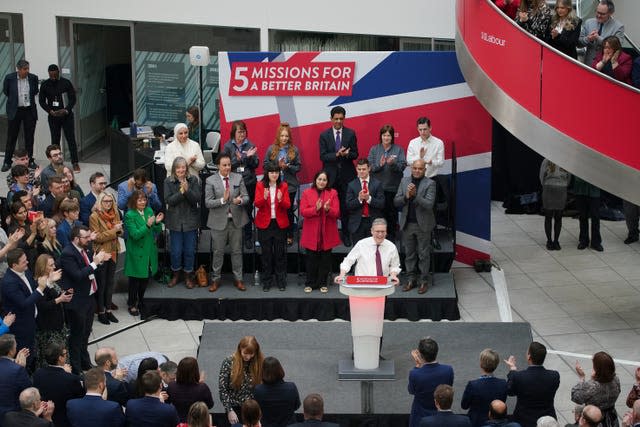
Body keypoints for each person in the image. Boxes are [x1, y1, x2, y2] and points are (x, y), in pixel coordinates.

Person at [60, 225, 111, 374]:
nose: (89, 239)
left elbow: (91, 269)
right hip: (77, 301)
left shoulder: (85, 250)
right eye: (86, 237)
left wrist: (99, 262)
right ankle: (76, 368)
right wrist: (95, 262)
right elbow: (77, 275)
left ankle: (85, 361)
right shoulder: (68, 254)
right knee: (77, 336)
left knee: (86, 333)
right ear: (76, 239)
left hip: (89, 298)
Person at [205, 153, 249, 293]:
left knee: (237, 252)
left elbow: (246, 197)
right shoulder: (210, 180)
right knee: (218, 252)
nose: (227, 167)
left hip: (236, 221)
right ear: (218, 166)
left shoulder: (238, 177)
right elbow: (208, 202)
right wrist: (223, 200)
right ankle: (215, 279)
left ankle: (239, 279)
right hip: (218, 222)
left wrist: (240, 201)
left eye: (229, 164)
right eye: (224, 165)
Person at [1, 248, 46, 372]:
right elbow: (24, 303)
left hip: (32, 321)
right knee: (25, 357)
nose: (27, 263)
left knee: (33, 353)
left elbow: (32, 289)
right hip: (21, 327)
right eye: (23, 262)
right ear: (14, 265)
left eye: (26, 260)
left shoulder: (25, 271)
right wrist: (41, 288)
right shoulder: (9, 282)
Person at [319, 106, 358, 246]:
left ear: (344, 118)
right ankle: (330, 235)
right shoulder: (324, 135)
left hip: (347, 177)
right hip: (330, 177)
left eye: (341, 119)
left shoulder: (350, 133)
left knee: (346, 207)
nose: (338, 121)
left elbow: (355, 154)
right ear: (331, 119)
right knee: (329, 207)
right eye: (336, 119)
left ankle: (346, 235)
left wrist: (347, 154)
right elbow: (323, 156)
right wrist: (337, 154)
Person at [395, 159, 436, 294]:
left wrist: (415, 196)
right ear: (411, 168)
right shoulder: (404, 181)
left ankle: (423, 281)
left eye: (420, 168)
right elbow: (396, 201)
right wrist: (406, 197)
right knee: (409, 254)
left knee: (423, 254)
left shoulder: (430, 183)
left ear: (425, 170)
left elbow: (429, 204)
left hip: (423, 225)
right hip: (407, 224)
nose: (417, 171)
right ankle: (411, 280)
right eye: (415, 168)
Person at [164, 156, 202, 289]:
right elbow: (169, 201)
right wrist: (182, 192)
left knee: (189, 251)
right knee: (175, 251)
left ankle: (188, 276)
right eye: (178, 167)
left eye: (183, 167)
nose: (181, 170)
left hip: (190, 221)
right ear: (174, 169)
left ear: (186, 168)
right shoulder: (168, 181)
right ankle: (175, 274)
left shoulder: (193, 180)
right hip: (175, 222)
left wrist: (188, 190)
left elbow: (196, 199)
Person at [299, 170, 340, 293]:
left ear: (327, 182)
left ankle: (323, 283)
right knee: (311, 259)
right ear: (315, 180)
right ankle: (310, 283)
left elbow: (337, 212)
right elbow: (303, 212)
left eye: (324, 180)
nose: (321, 182)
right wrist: (315, 209)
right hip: (311, 232)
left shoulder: (333, 193)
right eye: (319, 179)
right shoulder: (307, 192)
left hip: (327, 232)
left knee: (325, 259)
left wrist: (328, 209)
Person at [124, 190, 163, 316]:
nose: (143, 202)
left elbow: (156, 230)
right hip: (136, 252)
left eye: (144, 200)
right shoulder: (129, 215)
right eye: (140, 200)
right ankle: (131, 303)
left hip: (148, 250)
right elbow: (135, 235)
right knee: (135, 281)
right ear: (134, 201)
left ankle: (141, 301)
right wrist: (147, 225)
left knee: (145, 279)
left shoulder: (149, 211)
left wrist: (157, 222)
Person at [221, 120, 259, 249]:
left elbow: (256, 165)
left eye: (243, 131)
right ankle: (229, 237)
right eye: (239, 132)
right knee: (231, 210)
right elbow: (225, 165)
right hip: (233, 183)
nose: (242, 134)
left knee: (247, 211)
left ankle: (248, 238)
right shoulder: (227, 146)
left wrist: (249, 157)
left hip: (248, 182)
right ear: (234, 133)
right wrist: (239, 159)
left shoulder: (250, 145)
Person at [505, 342, 560, 427]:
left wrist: (512, 370)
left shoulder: (519, 377)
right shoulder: (554, 376)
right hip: (547, 421)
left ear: (529, 357)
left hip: (523, 421)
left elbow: (510, 391)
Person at [254, 163, 290, 291]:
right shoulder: (260, 185)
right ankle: (267, 281)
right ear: (267, 174)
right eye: (271, 172)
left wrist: (280, 200)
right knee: (266, 254)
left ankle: (281, 281)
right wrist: (263, 198)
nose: (274, 174)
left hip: (279, 224)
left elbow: (287, 206)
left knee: (280, 254)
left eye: (276, 172)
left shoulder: (284, 186)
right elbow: (257, 204)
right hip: (265, 224)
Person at [263, 122, 301, 245]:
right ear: (278, 136)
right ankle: (277, 234)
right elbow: (265, 165)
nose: (284, 138)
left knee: (288, 211)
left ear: (289, 137)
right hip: (274, 185)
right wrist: (277, 166)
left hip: (290, 187)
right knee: (275, 210)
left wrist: (288, 167)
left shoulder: (294, 149)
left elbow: (298, 167)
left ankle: (289, 235)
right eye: (282, 136)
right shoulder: (271, 149)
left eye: (286, 136)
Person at [368, 124, 406, 241]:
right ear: (381, 136)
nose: (386, 138)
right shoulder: (374, 149)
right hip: (377, 188)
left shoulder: (398, 149)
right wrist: (380, 165)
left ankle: (391, 237)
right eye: (384, 135)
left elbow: (402, 167)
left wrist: (392, 164)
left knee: (391, 214)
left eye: (388, 135)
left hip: (392, 188)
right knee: (378, 214)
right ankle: (378, 237)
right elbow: (370, 167)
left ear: (392, 137)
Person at [335, 218, 401, 286]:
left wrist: (393, 275)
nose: (380, 234)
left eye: (383, 231)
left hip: (382, 285)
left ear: (386, 232)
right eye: (377, 231)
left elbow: (395, 265)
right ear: (372, 231)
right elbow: (348, 261)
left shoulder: (391, 247)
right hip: (361, 285)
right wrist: (342, 274)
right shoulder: (361, 244)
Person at [38, 64, 80, 172]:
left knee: (70, 139)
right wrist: (50, 111)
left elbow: (72, 99)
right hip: (53, 117)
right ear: (48, 73)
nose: (53, 77)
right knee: (55, 141)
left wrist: (66, 109)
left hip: (66, 116)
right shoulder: (45, 85)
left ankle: (75, 162)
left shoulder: (66, 83)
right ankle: (57, 164)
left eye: (55, 75)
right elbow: (41, 101)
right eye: (51, 75)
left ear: (58, 72)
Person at [32, 342, 84, 427]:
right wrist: (68, 374)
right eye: (65, 354)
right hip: (64, 420)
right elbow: (80, 398)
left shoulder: (38, 374)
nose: (66, 355)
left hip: (42, 419)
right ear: (60, 358)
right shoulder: (71, 379)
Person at [90, 192, 123, 324]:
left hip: (114, 251)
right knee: (102, 283)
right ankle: (101, 312)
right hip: (102, 253)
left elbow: (121, 231)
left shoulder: (115, 213)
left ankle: (108, 310)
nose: (108, 204)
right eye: (105, 201)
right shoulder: (94, 216)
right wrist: (114, 231)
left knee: (110, 283)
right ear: (100, 202)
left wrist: (119, 230)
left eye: (110, 201)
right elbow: (98, 237)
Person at [407, 337, 454, 427]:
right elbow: (447, 389)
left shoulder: (415, 374)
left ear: (420, 355)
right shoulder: (448, 370)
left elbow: (411, 391)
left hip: (420, 417)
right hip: (441, 415)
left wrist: (417, 366)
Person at [33, 254, 69, 369]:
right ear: (43, 267)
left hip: (59, 325)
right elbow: (42, 305)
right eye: (51, 265)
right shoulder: (39, 283)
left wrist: (64, 294)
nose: (54, 267)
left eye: (54, 264)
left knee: (62, 354)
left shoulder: (52, 278)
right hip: (48, 329)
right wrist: (59, 299)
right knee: (53, 356)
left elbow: (55, 294)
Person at [2, 59, 39, 173]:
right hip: (15, 110)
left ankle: (30, 160)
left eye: (28, 68)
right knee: (12, 137)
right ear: (18, 69)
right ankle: (7, 161)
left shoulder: (33, 78)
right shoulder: (9, 78)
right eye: (24, 69)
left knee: (29, 136)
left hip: (28, 110)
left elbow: (35, 91)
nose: (27, 71)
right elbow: (6, 92)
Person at [218, 336, 265, 426]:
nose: (248, 357)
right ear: (240, 348)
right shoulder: (228, 362)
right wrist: (229, 410)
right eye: (245, 353)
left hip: (253, 408)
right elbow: (223, 389)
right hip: (235, 407)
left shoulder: (260, 362)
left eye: (251, 354)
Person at [571, 351, 621, 427]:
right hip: (611, 418)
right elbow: (619, 391)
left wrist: (582, 378)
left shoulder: (592, 386)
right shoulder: (616, 380)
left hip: (593, 419)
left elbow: (575, 396)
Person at [461, 349, 508, 427]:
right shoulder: (503, 384)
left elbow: (464, 406)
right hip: (497, 423)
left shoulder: (473, 385)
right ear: (496, 364)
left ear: (481, 364)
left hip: (476, 423)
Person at [346, 158, 384, 244]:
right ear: (356, 169)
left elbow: (381, 204)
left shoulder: (377, 184)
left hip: (373, 222)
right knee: (358, 252)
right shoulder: (351, 185)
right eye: (359, 169)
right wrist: (359, 199)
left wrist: (369, 199)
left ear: (369, 169)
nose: (361, 171)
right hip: (357, 224)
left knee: (373, 251)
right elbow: (348, 205)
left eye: (364, 169)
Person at [253, 356, 300, 427]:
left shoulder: (258, 390)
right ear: (280, 369)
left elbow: (256, 411)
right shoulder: (291, 387)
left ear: (263, 372)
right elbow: (297, 406)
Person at [166, 357, 214, 423]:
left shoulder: (171, 386)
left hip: (178, 421)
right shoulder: (202, 388)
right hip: (197, 422)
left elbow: (167, 401)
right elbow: (210, 405)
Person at [579, 0, 625, 66]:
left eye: (602, 14)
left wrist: (598, 38)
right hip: (589, 64)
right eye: (597, 12)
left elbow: (617, 47)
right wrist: (588, 39)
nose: (599, 15)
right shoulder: (588, 22)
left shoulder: (618, 27)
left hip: (606, 66)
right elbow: (579, 43)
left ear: (610, 13)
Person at [539, 159, 570, 250]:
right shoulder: (546, 160)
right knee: (551, 216)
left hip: (558, 189)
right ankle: (550, 241)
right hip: (552, 188)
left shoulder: (565, 161)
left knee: (557, 217)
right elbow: (541, 176)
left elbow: (569, 177)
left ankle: (555, 241)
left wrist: (562, 185)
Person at [0, 334, 32, 423]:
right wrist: (22, 368)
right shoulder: (18, 370)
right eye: (15, 346)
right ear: (11, 351)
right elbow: (28, 392)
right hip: (10, 418)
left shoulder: (16, 368)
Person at [572, 177, 602, 252]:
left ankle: (596, 242)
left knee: (595, 217)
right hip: (580, 190)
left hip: (594, 191)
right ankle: (583, 240)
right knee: (583, 216)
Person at [7, 201, 39, 266]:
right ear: (14, 215)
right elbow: (22, 247)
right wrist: (33, 234)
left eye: (25, 211)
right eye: (20, 213)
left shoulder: (28, 222)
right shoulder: (13, 229)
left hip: (35, 254)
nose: (24, 214)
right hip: (25, 258)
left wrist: (41, 230)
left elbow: (40, 238)